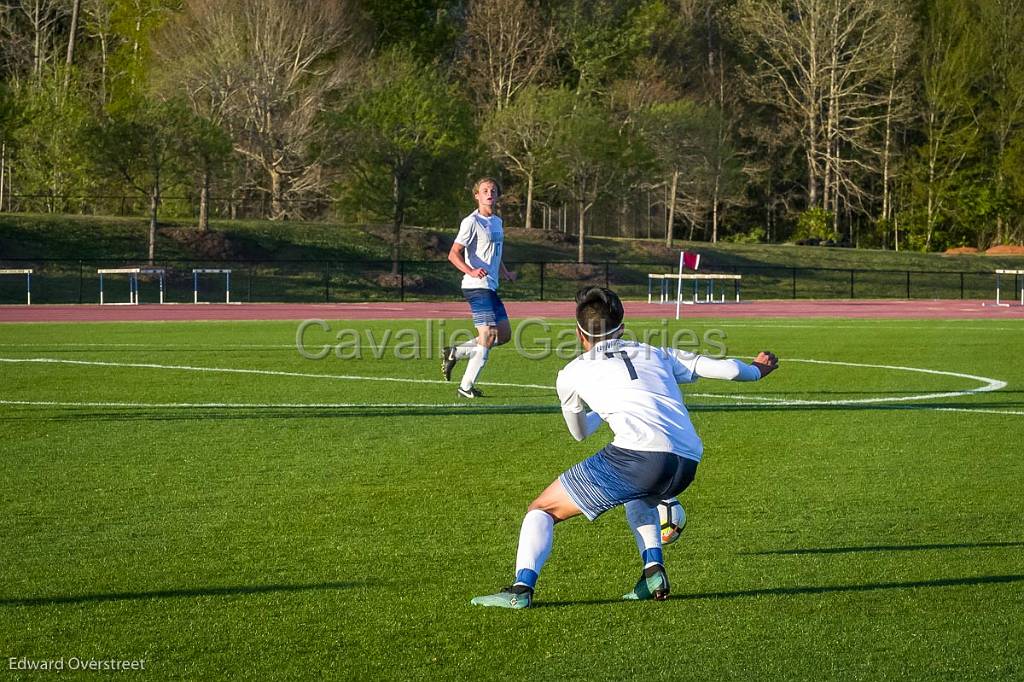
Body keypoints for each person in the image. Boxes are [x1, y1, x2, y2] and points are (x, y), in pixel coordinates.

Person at [471, 286, 779, 608]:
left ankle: (521, 589)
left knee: (542, 509)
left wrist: (606, 410)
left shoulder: (571, 373)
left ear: (580, 334)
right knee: (637, 499)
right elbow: (727, 369)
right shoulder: (655, 352)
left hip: (639, 458)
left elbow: (579, 433)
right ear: (622, 328)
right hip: (688, 460)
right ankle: (652, 572)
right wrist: (759, 369)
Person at [442, 177, 517, 398]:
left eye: (493, 190)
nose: (489, 193)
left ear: (497, 195)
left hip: (490, 286)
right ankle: (465, 387)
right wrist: (470, 270)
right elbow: (453, 254)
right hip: (476, 285)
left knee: (503, 335)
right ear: (477, 195)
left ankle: (454, 352)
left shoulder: (497, 222)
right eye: (484, 190)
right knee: (488, 335)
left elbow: (497, 252)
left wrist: (505, 272)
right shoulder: (471, 222)